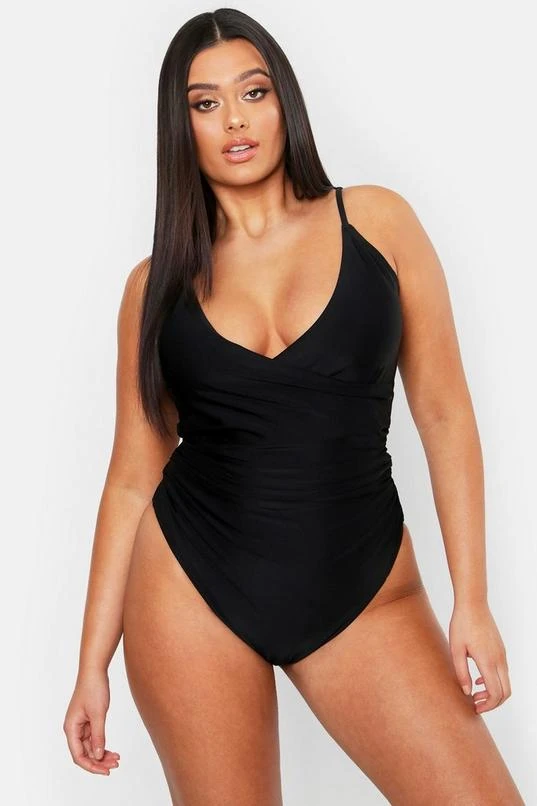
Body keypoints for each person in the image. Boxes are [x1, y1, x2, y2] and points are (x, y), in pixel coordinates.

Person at [63, 8, 525, 805]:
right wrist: (90, 665)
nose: (234, 120)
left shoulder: (377, 222)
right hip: (191, 588)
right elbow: (133, 478)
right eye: (204, 103)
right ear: (179, 126)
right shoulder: (153, 288)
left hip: (364, 588)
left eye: (254, 92)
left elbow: (444, 412)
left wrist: (471, 602)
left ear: (285, 101)